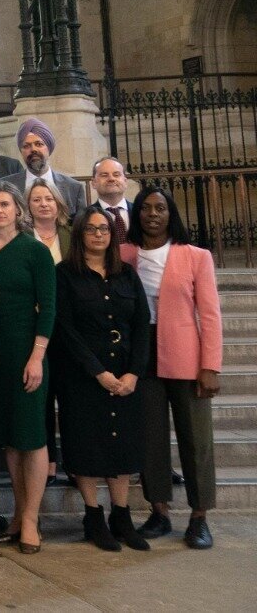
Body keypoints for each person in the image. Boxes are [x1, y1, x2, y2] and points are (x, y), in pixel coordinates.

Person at [124, 187, 222, 550]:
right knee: (150, 438)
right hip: (141, 355)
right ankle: (159, 511)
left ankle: (199, 517)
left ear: (170, 214)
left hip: (186, 356)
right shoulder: (124, 254)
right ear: (137, 214)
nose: (152, 213)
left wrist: (210, 365)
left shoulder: (195, 256)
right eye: (146, 208)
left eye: (160, 208)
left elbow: (209, 314)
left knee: (196, 439)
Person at [55, 206, 151, 552]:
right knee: (87, 443)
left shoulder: (126, 274)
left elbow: (141, 325)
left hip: (124, 372)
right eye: (91, 229)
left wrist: (134, 372)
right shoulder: (65, 274)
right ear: (80, 235)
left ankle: (121, 516)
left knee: (122, 444)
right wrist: (98, 372)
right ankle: (93, 516)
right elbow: (65, 328)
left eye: (104, 229)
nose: (98, 234)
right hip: (83, 376)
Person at [0, 182, 56, 554]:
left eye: (5, 204)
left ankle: (32, 519)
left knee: (31, 436)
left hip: (25, 352)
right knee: (10, 437)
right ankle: (18, 515)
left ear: (18, 210)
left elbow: (48, 307)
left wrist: (37, 356)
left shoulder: (35, 251)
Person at [2, 118, 87, 216]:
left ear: (49, 148)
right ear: (21, 151)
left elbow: (79, 224)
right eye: (27, 146)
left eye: (39, 144)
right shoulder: (5, 186)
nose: (33, 149)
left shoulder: (73, 188)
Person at [28, 178, 71, 264]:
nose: (43, 204)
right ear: (28, 205)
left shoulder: (73, 234)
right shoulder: (18, 236)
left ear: (58, 203)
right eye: (37, 200)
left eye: (49, 199)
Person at [91, 157, 133, 242]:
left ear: (125, 181)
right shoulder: (85, 217)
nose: (111, 179)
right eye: (104, 175)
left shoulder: (140, 212)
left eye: (116, 175)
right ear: (94, 183)